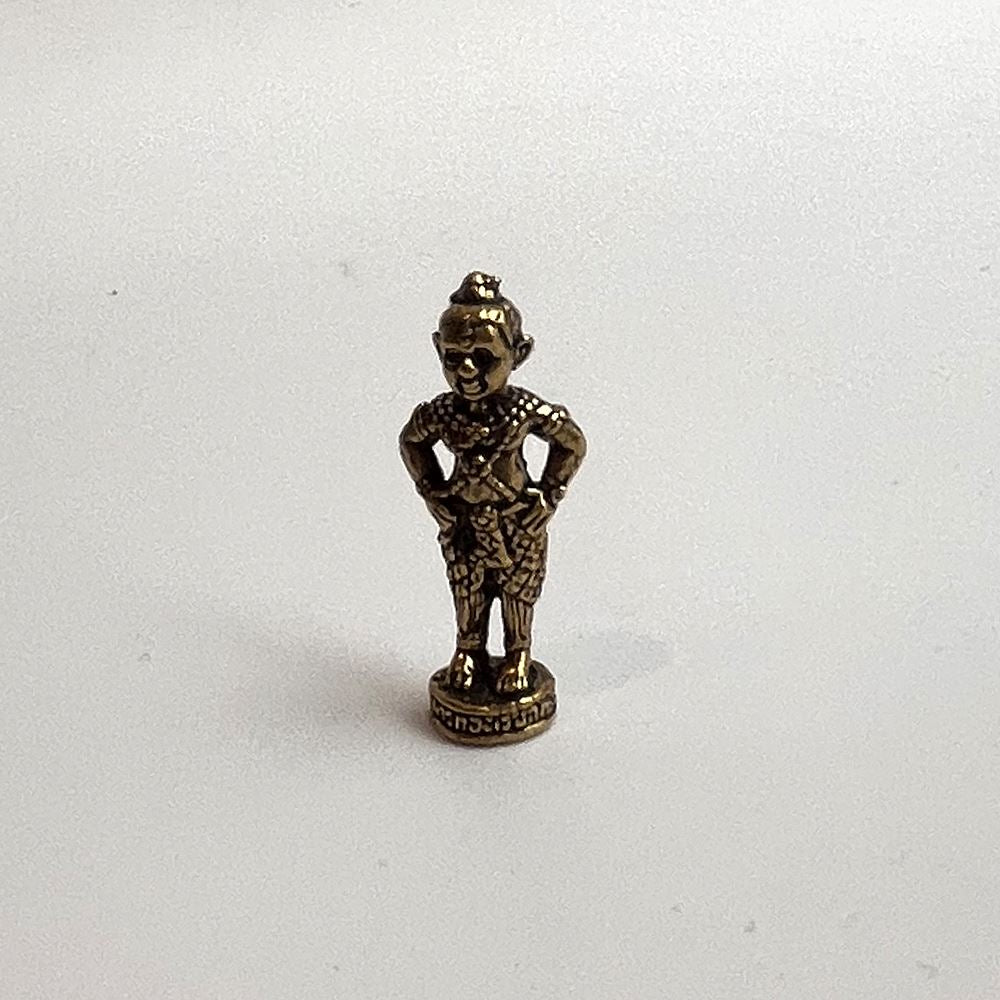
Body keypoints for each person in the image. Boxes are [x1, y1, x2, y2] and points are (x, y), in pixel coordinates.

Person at [400, 272, 587, 694]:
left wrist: (548, 495)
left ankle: (518, 653)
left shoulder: (524, 411)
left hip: (517, 520)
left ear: (519, 354)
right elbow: (412, 442)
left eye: (484, 357)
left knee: (518, 588)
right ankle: (468, 650)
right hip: (463, 520)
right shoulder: (441, 413)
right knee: (467, 585)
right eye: (453, 358)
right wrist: (432, 492)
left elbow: (571, 443)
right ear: (438, 349)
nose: (467, 371)